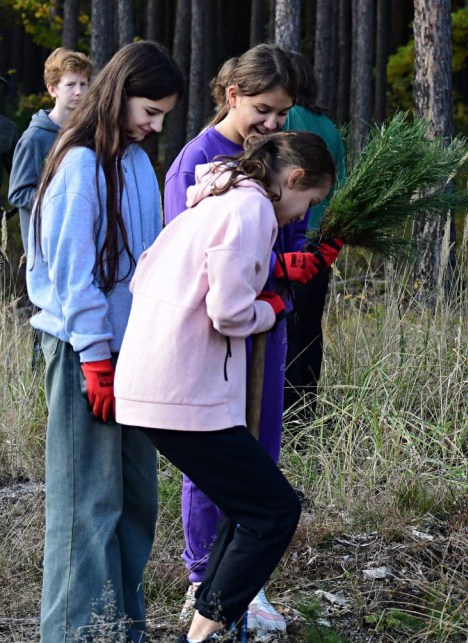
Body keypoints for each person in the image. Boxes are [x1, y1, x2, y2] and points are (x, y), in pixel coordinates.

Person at [115, 131, 334, 643]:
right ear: (294, 179)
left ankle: (207, 627)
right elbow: (230, 312)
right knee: (274, 511)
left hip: (161, 383)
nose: (302, 215)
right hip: (180, 391)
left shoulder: (216, 199)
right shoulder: (250, 211)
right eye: (310, 202)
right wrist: (273, 307)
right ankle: (204, 633)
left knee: (251, 505)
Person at [165, 44, 339, 633]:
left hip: (268, 330)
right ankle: (202, 581)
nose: (272, 122)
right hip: (218, 338)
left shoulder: (281, 157)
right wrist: (273, 270)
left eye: (282, 112)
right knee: (217, 462)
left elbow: (290, 232)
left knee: (261, 455)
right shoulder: (199, 160)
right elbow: (185, 258)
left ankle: (246, 582)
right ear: (232, 94)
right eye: (263, 108)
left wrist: (307, 257)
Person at [27, 40, 183, 643]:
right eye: (150, 109)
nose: (156, 123)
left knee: (134, 502)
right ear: (119, 94)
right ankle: (75, 634)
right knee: (86, 507)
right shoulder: (80, 164)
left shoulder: (137, 162)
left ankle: (120, 630)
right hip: (84, 357)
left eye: (165, 114)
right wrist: (95, 357)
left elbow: (144, 261)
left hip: (133, 354)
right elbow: (72, 275)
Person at [281, 51, 347, 416]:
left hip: (292, 240)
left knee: (286, 330)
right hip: (324, 243)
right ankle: (307, 411)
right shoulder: (330, 127)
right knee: (310, 331)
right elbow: (342, 188)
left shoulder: (287, 118)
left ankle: (286, 416)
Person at [10, 48, 93, 242]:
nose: (79, 92)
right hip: (44, 249)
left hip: (81, 242)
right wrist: (59, 201)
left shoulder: (90, 133)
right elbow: (18, 193)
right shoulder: (34, 138)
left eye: (84, 84)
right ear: (52, 89)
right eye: (70, 84)